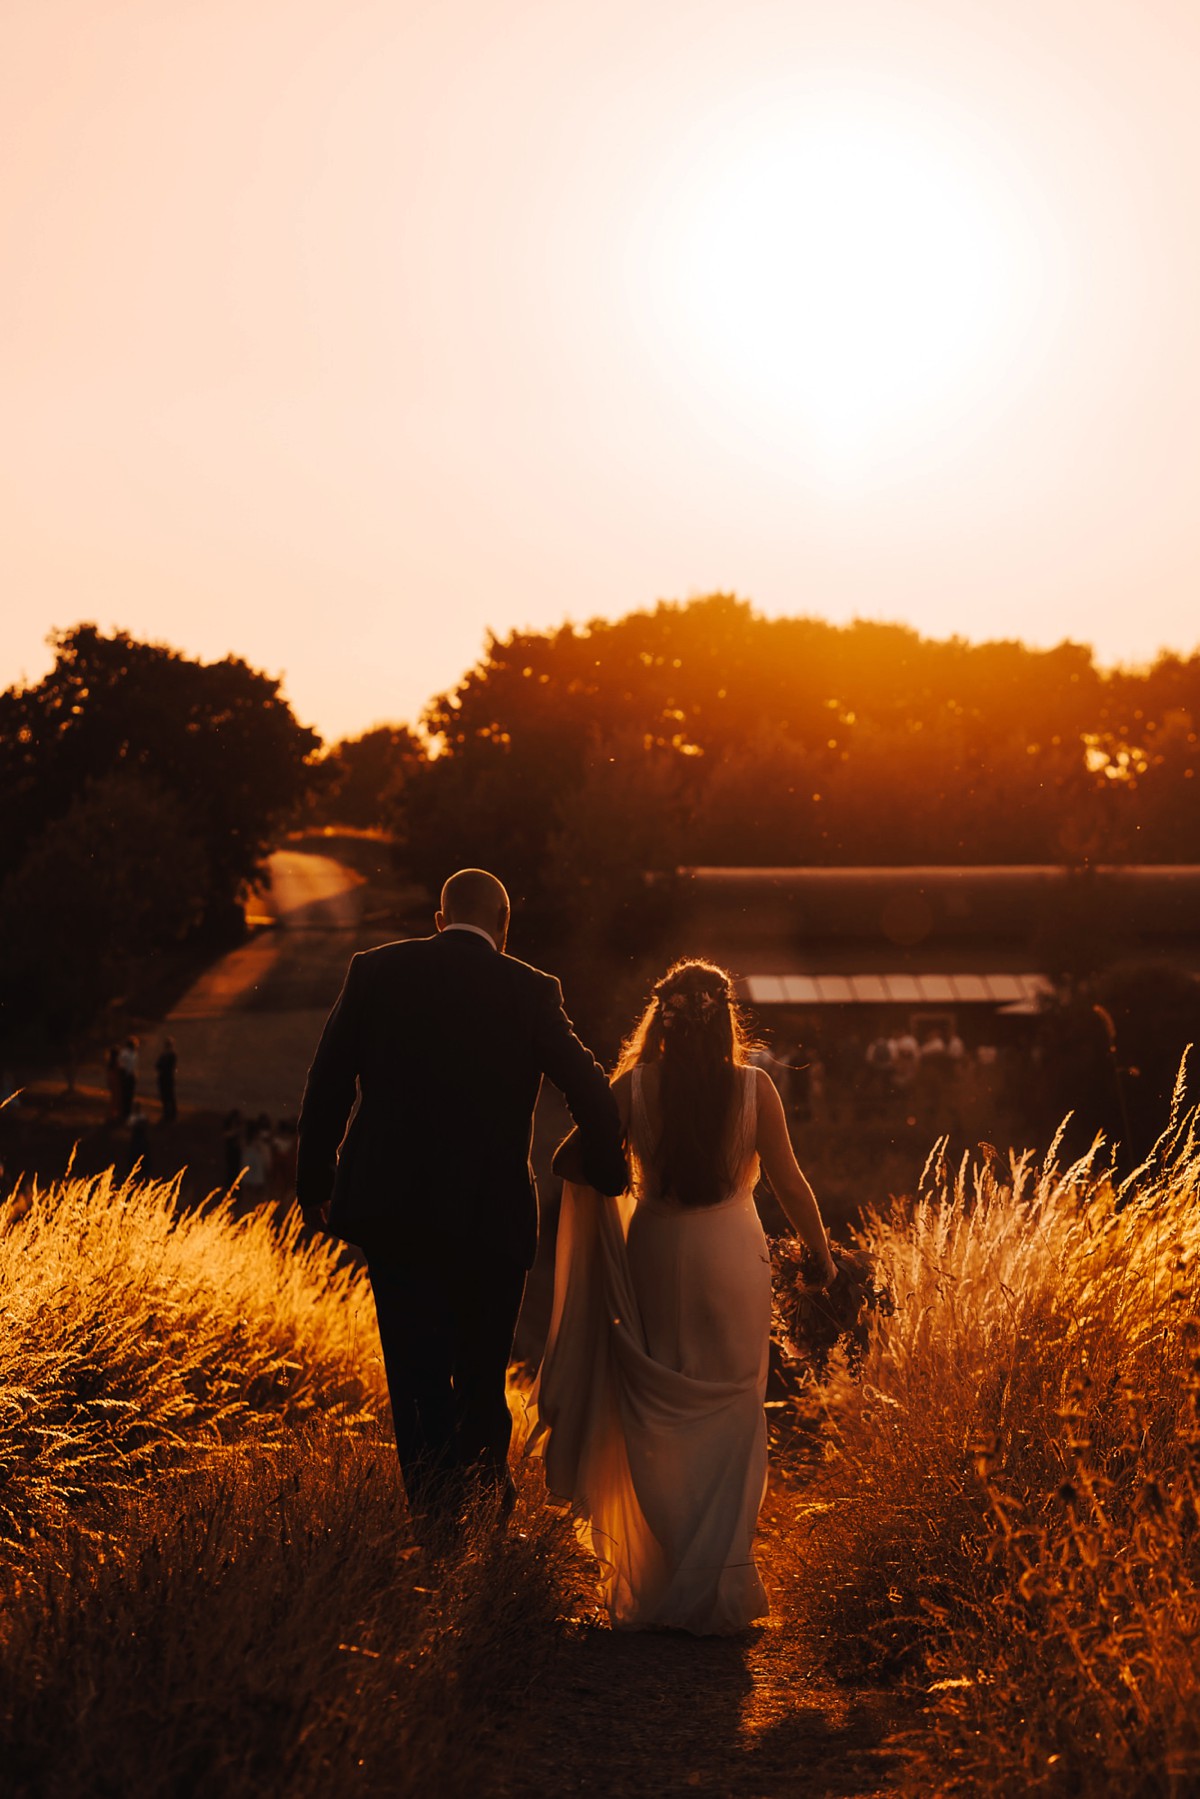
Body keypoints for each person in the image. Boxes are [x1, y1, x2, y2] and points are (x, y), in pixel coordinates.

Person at [296, 867, 627, 1529]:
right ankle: (483, 1494)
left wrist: (317, 1183)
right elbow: (590, 1086)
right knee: (480, 1371)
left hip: (397, 1210)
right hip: (492, 1214)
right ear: (504, 928)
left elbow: (327, 1081)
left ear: (441, 919)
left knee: (415, 1367)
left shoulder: (376, 971)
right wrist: (608, 1168)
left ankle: (436, 1514)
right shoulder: (532, 990)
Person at [527, 959, 836, 1635]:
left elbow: (570, 1160)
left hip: (657, 1253)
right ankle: (716, 1576)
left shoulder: (633, 1085)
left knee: (656, 1406)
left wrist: (611, 1207)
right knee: (732, 1407)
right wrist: (822, 1254)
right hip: (733, 1258)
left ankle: (663, 1573)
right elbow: (790, 1182)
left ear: (662, 1019)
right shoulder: (757, 1089)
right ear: (725, 1018)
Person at [155, 1036, 178, 1124]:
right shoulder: (169, 1055)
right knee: (168, 1095)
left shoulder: (168, 1055)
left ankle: (170, 1113)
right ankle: (170, 1112)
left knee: (168, 1095)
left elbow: (158, 1065)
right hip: (167, 1077)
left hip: (165, 1077)